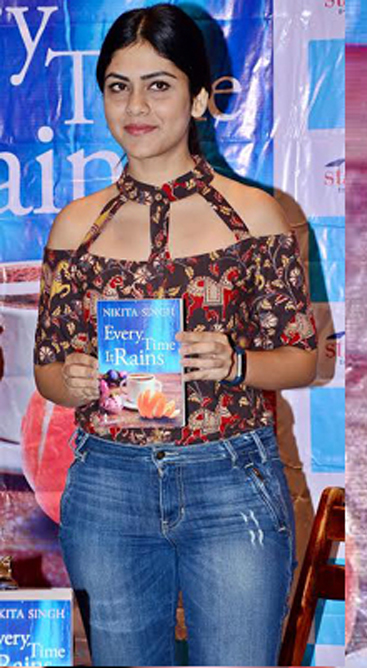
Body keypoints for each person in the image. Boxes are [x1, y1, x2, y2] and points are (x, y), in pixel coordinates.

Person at [32, 5, 316, 666]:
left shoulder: (254, 216)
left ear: (198, 99)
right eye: (118, 86)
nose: (137, 106)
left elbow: (302, 359)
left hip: (230, 479)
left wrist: (236, 362)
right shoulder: (77, 227)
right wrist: (72, 379)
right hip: (107, 485)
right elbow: (47, 369)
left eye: (158, 85)